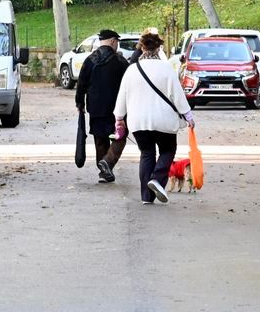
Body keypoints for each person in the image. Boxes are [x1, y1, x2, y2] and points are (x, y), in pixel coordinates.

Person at [113, 31, 193, 203]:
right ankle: (156, 179)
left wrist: (119, 118)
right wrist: (188, 116)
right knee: (167, 150)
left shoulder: (131, 70)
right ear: (159, 49)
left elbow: (122, 96)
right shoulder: (166, 68)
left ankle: (146, 197)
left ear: (142, 48)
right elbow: (177, 95)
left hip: (138, 122)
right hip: (164, 121)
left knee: (147, 153)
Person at [75, 28, 129, 183]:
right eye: (117, 42)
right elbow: (128, 83)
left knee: (100, 139)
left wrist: (80, 102)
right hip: (116, 109)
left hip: (95, 107)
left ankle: (104, 172)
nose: (117, 45)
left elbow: (81, 83)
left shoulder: (90, 60)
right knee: (121, 136)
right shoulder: (120, 61)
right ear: (113, 41)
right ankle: (108, 162)